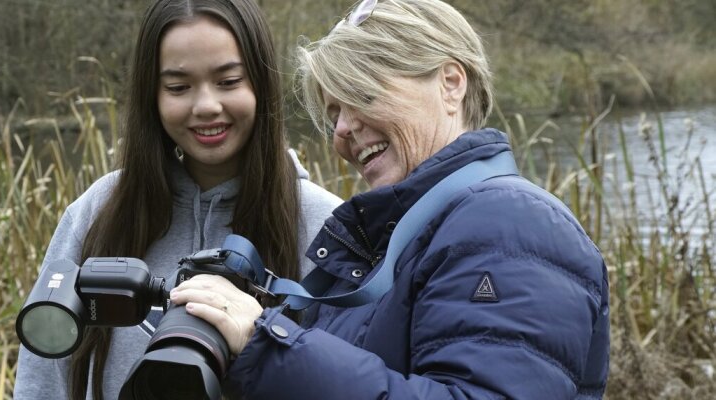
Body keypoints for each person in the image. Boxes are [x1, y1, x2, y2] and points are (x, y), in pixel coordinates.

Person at [169, 0, 610, 398]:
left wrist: (266, 343)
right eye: (333, 112)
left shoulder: (510, 225)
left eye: (361, 93)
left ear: (451, 83)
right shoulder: (407, 236)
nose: (341, 130)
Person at [12, 0, 342, 399]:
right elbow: (42, 381)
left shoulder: (323, 226)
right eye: (178, 87)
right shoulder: (99, 210)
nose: (205, 106)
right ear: (151, 96)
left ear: (261, 84)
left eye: (228, 81)